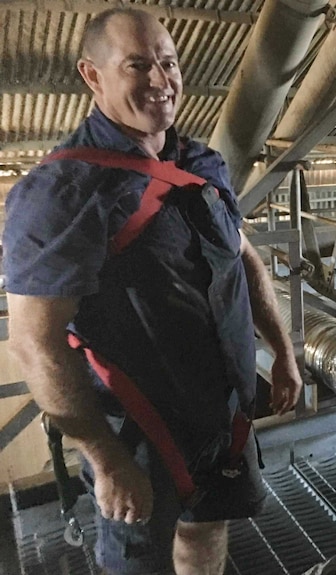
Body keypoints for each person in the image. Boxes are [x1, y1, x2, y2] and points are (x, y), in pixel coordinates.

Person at [3, 7, 303, 574]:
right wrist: (106, 458)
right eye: (138, 66)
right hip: (138, 435)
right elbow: (33, 342)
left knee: (207, 528)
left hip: (220, 413)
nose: (161, 81)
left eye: (168, 63)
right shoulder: (62, 194)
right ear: (92, 76)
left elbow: (247, 263)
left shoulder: (201, 163)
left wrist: (282, 355)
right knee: (138, 562)